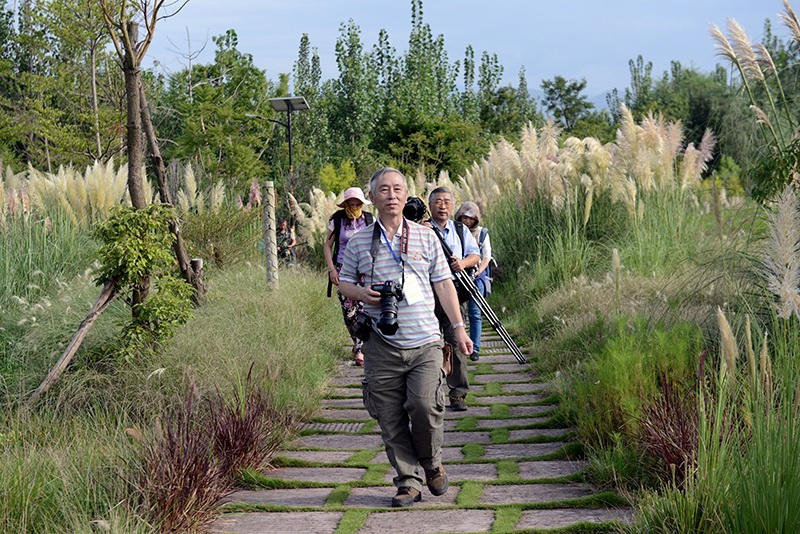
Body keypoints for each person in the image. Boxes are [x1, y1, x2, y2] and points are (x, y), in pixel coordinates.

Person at [338, 167, 472, 507]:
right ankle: (408, 481)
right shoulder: (357, 241)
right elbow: (343, 283)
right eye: (384, 189)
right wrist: (364, 293)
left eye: (398, 189)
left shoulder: (426, 237)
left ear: (405, 193)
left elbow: (443, 284)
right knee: (389, 414)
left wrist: (457, 328)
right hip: (381, 342)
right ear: (373, 197)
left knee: (425, 404)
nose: (392, 195)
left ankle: (431, 463)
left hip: (426, 340)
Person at [427, 187, 481, 412]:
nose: (443, 206)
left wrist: (463, 263)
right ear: (429, 205)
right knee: (427, 344)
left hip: (452, 291)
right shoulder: (421, 229)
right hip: (426, 293)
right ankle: (429, 393)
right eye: (438, 201)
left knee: (456, 341)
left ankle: (458, 394)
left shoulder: (460, 230)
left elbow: (475, 254)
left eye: (447, 202)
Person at [324, 187, 374, 366]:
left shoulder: (369, 220)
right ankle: (357, 343)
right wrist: (331, 270)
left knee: (363, 308)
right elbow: (328, 246)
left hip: (364, 269)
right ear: (345, 204)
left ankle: (361, 349)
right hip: (343, 269)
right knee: (349, 311)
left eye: (357, 204)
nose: (354, 207)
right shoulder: (337, 220)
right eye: (350, 204)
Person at [455, 201, 492, 362]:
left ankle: (475, 348)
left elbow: (486, 256)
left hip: (477, 277)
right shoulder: (454, 231)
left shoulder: (482, 233)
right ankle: (459, 346)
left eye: (471, 218)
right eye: (464, 217)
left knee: (475, 314)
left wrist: (478, 271)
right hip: (458, 278)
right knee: (458, 314)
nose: (467, 221)